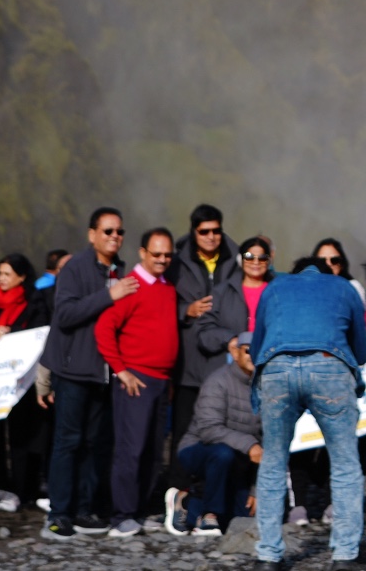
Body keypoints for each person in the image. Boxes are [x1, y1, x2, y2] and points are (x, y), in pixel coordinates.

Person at [251, 256, 366, 565]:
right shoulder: (343, 286)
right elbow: (361, 349)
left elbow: (256, 346)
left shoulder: (276, 286)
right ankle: (344, 555)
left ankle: (268, 555)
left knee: (274, 462)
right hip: (329, 366)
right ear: (327, 271)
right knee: (344, 463)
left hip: (277, 368)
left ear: (296, 272)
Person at [39, 206, 136, 542]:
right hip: (72, 369)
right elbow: (64, 314)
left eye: (119, 232)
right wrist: (109, 295)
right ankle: (58, 514)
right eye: (108, 231)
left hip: (104, 371)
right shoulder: (75, 268)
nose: (114, 237)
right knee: (68, 441)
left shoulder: (122, 270)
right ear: (92, 234)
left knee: (95, 443)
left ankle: (84, 509)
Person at [94, 228, 178, 537]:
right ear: (142, 252)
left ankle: (139, 510)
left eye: (167, 254)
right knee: (131, 449)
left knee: (154, 451)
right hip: (136, 380)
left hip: (161, 380)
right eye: (156, 254)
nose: (162, 259)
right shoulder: (131, 286)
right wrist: (121, 370)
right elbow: (104, 328)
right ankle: (122, 515)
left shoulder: (168, 286)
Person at [169, 333, 265, 536]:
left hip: (238, 458)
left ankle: (185, 502)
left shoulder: (264, 387)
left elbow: (265, 443)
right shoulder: (218, 381)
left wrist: (255, 491)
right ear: (236, 352)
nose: (252, 356)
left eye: (258, 350)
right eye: (247, 350)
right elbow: (208, 429)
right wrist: (249, 445)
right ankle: (208, 514)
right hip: (198, 449)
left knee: (241, 519)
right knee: (222, 454)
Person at [170, 204, 240, 479]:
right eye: (204, 232)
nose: (211, 237)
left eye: (216, 231)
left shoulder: (237, 260)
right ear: (194, 232)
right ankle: (178, 490)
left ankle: (217, 494)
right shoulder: (175, 263)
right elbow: (161, 302)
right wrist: (185, 310)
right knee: (184, 427)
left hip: (225, 362)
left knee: (225, 428)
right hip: (187, 362)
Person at [0, 252, 48, 513]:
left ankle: (20, 489)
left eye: (7, 274)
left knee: (21, 436)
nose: (2, 279)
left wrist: (11, 334)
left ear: (22, 276)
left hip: (23, 382)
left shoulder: (34, 301)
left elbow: (39, 333)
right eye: (0, 273)